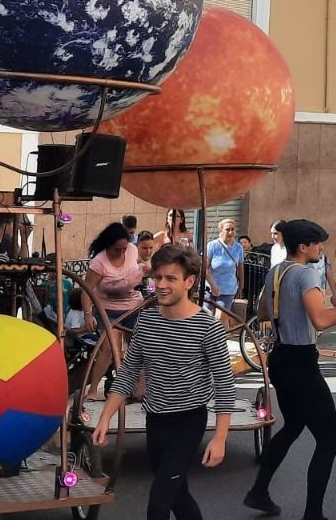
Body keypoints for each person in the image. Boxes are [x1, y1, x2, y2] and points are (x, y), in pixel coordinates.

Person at [246, 219, 336, 520]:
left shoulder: (276, 271)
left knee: (292, 427)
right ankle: (313, 514)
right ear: (303, 247)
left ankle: (259, 491)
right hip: (301, 362)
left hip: (280, 358)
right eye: (317, 243)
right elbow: (321, 320)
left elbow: (262, 311)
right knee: (329, 441)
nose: (321, 248)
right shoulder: (305, 274)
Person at [94, 244, 235, 520]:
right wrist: (105, 417)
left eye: (171, 278)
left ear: (189, 282)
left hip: (188, 422)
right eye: (157, 277)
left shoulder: (208, 327)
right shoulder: (146, 321)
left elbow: (224, 384)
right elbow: (128, 373)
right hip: (155, 421)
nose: (161, 284)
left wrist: (220, 438)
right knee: (178, 496)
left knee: (158, 504)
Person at [80, 222, 146, 399]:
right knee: (109, 349)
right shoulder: (98, 263)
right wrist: (88, 315)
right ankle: (93, 390)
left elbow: (137, 266)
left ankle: (138, 387)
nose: (122, 252)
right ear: (108, 246)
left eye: (125, 248)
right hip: (108, 310)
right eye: (118, 249)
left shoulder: (132, 250)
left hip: (133, 306)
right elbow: (87, 291)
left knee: (136, 347)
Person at [207, 218, 245, 317]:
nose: (231, 232)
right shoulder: (212, 246)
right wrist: (213, 286)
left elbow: (240, 267)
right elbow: (205, 268)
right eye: (227, 229)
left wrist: (241, 285)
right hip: (210, 288)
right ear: (221, 231)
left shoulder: (238, 247)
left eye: (233, 229)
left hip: (228, 289)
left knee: (220, 318)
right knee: (206, 317)